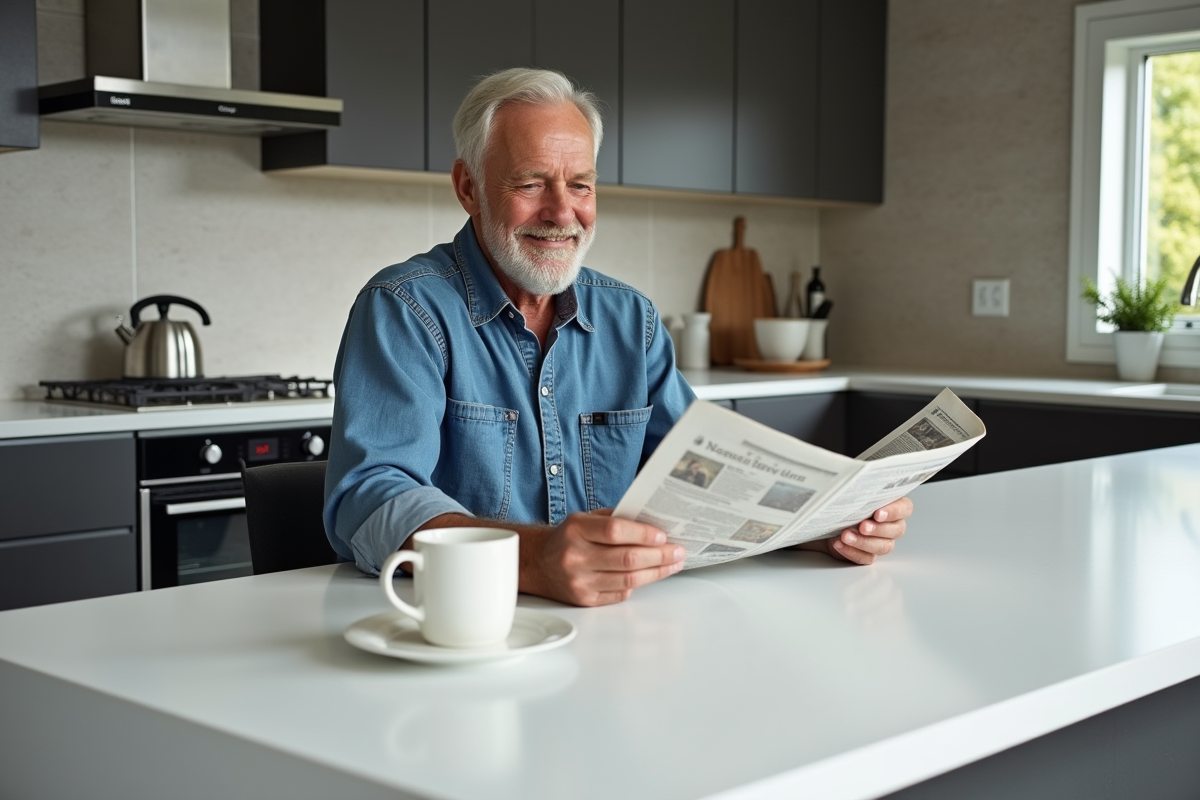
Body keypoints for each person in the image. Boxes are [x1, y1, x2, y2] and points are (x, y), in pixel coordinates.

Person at [323, 68, 912, 607]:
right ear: (469, 187)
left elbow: (703, 472)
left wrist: (818, 525)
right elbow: (368, 498)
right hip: (458, 630)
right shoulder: (405, 308)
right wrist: (532, 560)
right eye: (531, 183)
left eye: (580, 185)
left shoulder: (632, 321)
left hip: (619, 635)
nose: (562, 211)